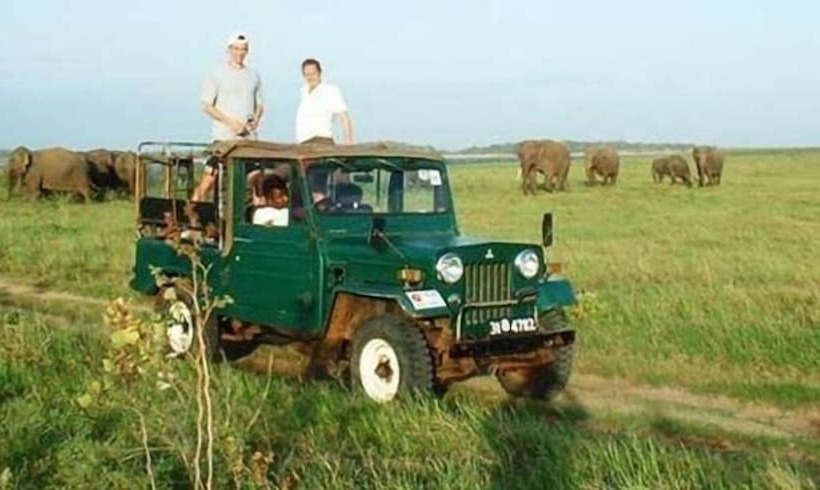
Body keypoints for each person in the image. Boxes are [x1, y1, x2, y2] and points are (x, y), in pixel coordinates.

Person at [192, 32, 265, 203]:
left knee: (255, 182)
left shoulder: (253, 75)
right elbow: (206, 105)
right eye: (236, 49)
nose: (240, 53)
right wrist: (230, 122)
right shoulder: (217, 73)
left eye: (243, 49)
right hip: (224, 138)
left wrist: (256, 118)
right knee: (210, 179)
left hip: (248, 140)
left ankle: (252, 223)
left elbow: (260, 104)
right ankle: (191, 219)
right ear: (229, 49)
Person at [295, 58, 354, 145]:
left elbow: (344, 117)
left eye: (313, 73)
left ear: (319, 73)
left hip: (320, 142)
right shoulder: (304, 92)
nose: (310, 77)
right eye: (307, 74)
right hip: (303, 144)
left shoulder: (329, 91)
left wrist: (349, 143)